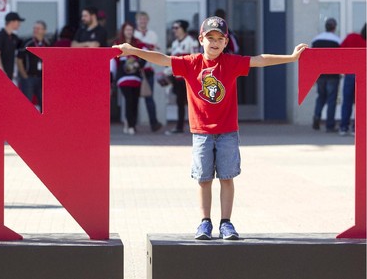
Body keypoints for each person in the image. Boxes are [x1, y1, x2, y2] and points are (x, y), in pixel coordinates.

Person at [113, 16, 307, 240]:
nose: (214, 42)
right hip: (201, 134)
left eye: (219, 38)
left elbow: (259, 60)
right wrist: (134, 51)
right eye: (210, 38)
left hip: (227, 133)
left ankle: (226, 223)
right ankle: (205, 222)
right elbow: (163, 59)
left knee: (227, 177)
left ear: (226, 42)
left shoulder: (231, 63)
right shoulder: (190, 63)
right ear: (201, 39)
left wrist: (292, 58)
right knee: (204, 179)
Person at [165, 20, 199, 135]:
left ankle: (197, 125)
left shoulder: (191, 41)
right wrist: (167, 72)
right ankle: (180, 126)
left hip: (189, 78)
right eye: (173, 28)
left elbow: (195, 60)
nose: (174, 30)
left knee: (193, 102)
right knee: (180, 101)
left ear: (183, 28)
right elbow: (173, 61)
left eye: (176, 28)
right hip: (177, 78)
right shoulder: (174, 43)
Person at [113, 22, 146, 135]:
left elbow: (145, 55)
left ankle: (131, 123)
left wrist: (139, 64)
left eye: (131, 30)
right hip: (123, 78)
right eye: (127, 30)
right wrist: (111, 78)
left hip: (136, 78)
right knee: (128, 100)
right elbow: (113, 62)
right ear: (123, 31)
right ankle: (130, 125)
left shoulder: (138, 43)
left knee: (135, 102)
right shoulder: (117, 43)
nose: (129, 32)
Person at [134, 11, 163, 132]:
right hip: (135, 70)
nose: (143, 21)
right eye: (141, 19)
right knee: (133, 98)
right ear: (137, 20)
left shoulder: (152, 34)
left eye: (145, 19)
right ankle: (132, 124)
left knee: (149, 98)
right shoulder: (133, 34)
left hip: (148, 70)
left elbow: (154, 49)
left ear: (148, 20)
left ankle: (154, 123)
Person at [311, 18, 341, 132]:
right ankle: (330, 125)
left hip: (320, 74)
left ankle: (317, 118)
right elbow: (340, 58)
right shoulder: (337, 40)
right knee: (331, 100)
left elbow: (312, 58)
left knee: (320, 97)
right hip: (333, 75)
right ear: (334, 27)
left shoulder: (316, 39)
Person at [339, 23, 366, 136]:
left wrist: (343, 67)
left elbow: (340, 51)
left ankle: (343, 127)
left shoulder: (351, 37)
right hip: (363, 75)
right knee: (360, 103)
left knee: (347, 101)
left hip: (350, 73)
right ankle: (356, 128)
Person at [16, 21, 49, 111]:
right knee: (27, 104)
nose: (35, 30)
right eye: (34, 28)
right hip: (29, 78)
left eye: (38, 28)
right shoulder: (27, 42)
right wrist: (24, 75)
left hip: (42, 79)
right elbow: (19, 59)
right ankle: (25, 124)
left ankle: (44, 124)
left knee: (45, 104)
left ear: (44, 31)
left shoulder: (47, 43)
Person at [0, 12, 24, 80]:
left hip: (9, 74)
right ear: (12, 22)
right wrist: (1, 72)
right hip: (0, 75)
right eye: (18, 22)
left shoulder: (14, 38)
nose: (19, 24)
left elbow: (23, 46)